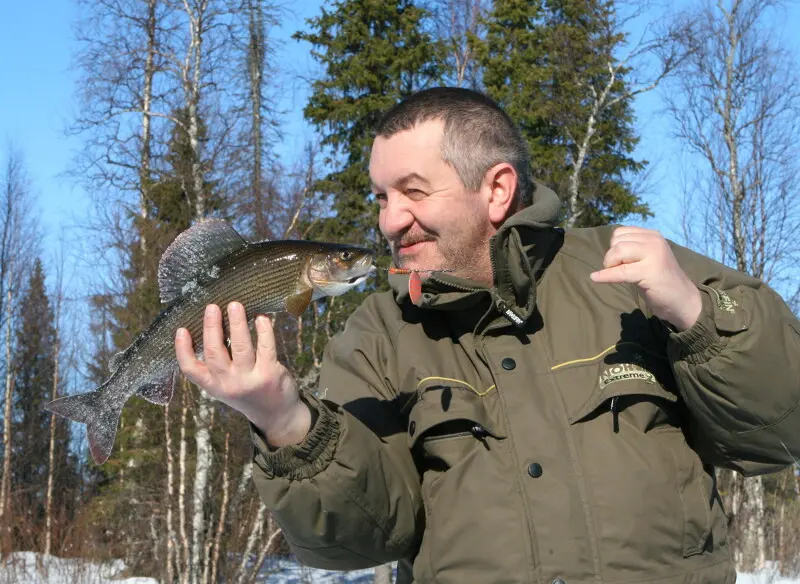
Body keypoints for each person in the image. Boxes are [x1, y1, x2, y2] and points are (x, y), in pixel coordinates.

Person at [174, 87, 800, 584]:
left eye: (412, 192)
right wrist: (283, 421)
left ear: (496, 189)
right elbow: (359, 537)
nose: (390, 220)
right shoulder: (381, 334)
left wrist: (695, 315)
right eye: (381, 197)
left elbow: (780, 432)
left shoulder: (629, 271)